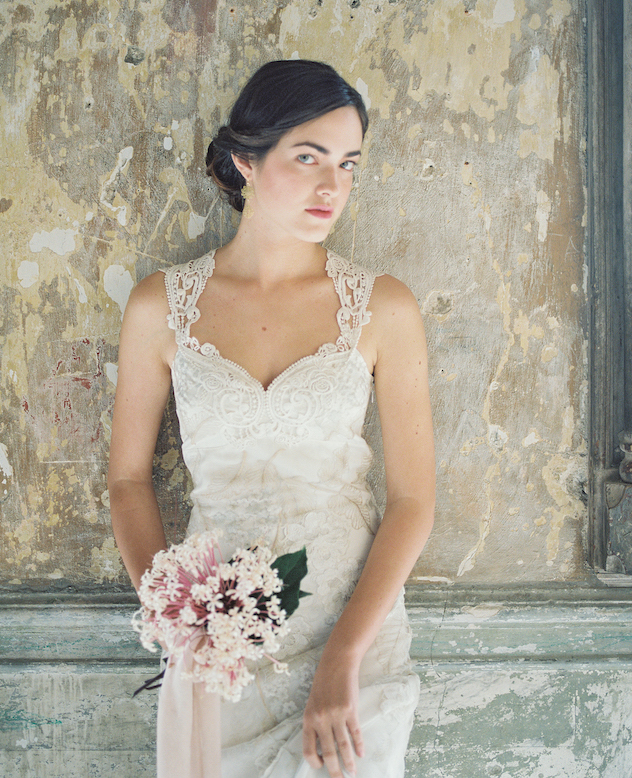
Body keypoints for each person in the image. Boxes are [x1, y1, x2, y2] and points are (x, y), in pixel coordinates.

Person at [108, 59, 435, 778]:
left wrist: (344, 657)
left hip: (353, 634)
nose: (333, 186)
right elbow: (128, 482)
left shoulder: (384, 306)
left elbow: (414, 503)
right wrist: (180, 623)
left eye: (348, 163)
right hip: (220, 644)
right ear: (242, 161)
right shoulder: (159, 305)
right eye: (308, 156)